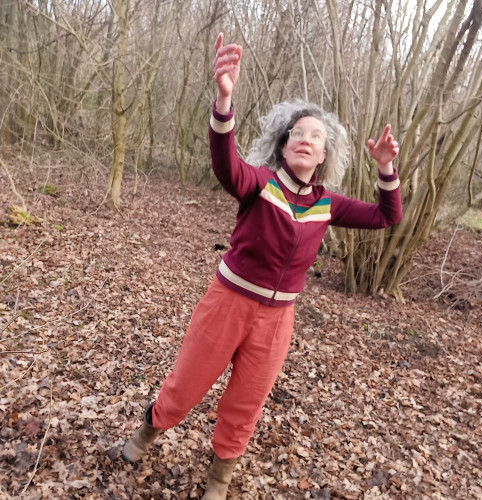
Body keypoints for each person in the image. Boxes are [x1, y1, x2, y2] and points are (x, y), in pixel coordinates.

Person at [122, 33, 402, 499]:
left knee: (246, 404)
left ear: (324, 154)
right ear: (283, 144)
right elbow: (226, 165)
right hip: (228, 304)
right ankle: (142, 437)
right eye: (298, 133)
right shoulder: (260, 184)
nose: (306, 140)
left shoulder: (327, 204)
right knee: (185, 387)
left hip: (276, 321)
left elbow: (387, 216)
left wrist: (386, 169)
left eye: (316, 136)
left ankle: (218, 481)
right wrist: (224, 101)